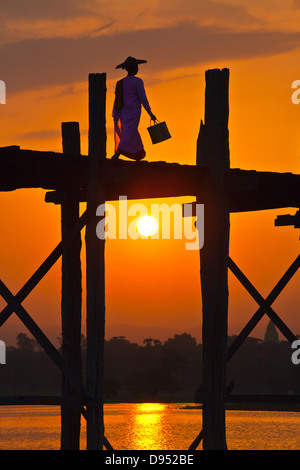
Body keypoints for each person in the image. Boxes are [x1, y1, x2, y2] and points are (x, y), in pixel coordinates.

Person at [112, 56, 156, 161]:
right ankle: (117, 153)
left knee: (131, 131)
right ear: (134, 68)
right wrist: (150, 112)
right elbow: (143, 98)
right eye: (136, 67)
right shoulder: (138, 81)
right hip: (134, 111)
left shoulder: (122, 82)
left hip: (124, 111)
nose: (137, 69)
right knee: (130, 131)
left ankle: (138, 153)